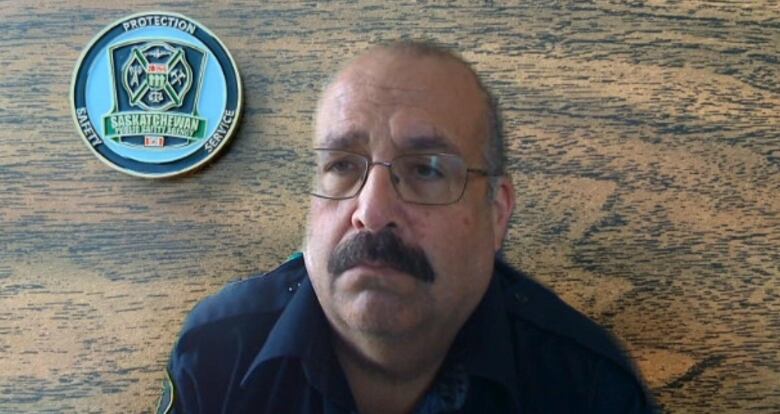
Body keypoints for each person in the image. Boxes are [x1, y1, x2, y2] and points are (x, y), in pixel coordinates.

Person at [159, 41, 656, 414]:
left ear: (497, 213)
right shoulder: (218, 354)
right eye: (342, 166)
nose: (371, 212)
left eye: (426, 170)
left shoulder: (586, 388)